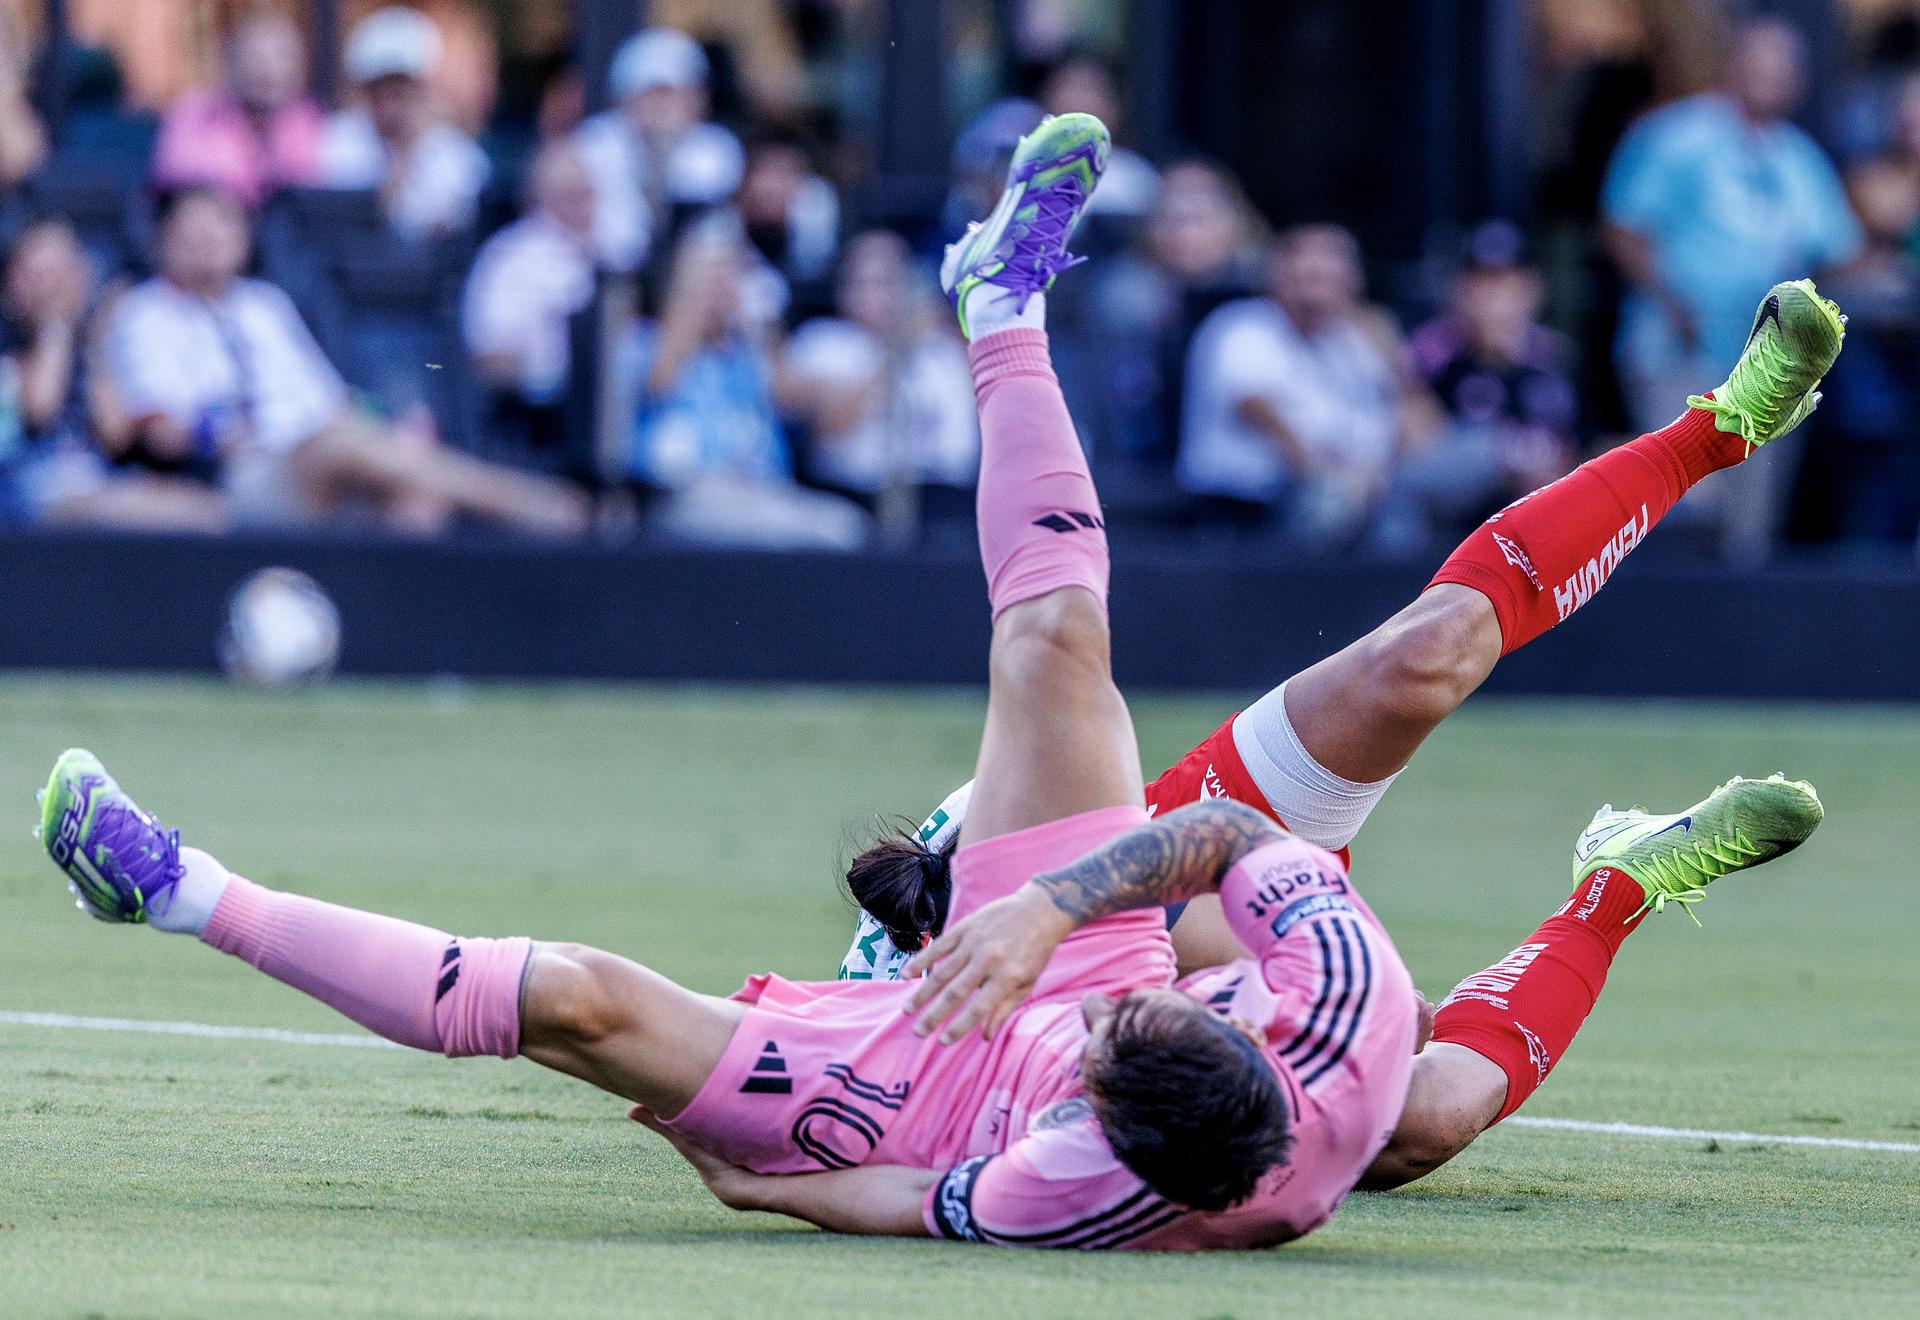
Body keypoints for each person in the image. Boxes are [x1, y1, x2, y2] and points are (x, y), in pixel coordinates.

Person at [37, 118, 1833, 1251]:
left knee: (586, 998)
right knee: (1414, 944)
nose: (1139, 1027)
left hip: (948, 1028)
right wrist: (1069, 916)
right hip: (1151, 887)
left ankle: (178, 889)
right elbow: (1201, 836)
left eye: (1129, 1048)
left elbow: (841, 1189)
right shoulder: (1332, 1042)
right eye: (1170, 1033)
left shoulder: (1075, 1176)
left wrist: (728, 1136)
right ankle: (1013, 306)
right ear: (1230, 1048)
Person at [837, 272, 1847, 1190]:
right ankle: (1620, 884)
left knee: (1419, 662)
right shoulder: (960, 1091)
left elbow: (1360, 988)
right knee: (1428, 1118)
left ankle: (1720, 429)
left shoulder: (1053, 927)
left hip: (1165, 857)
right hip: (1157, 1017)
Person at [102, 187, 586, 536]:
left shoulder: (263, 303)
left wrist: (387, 429)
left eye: (222, 225)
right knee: (347, 448)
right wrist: (231, 432)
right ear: (165, 241)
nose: (210, 239)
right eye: (194, 231)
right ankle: (522, 501)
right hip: (240, 477)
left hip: (323, 460)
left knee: (415, 499)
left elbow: (328, 402)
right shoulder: (145, 312)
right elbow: (161, 432)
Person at [1601, 15, 1860, 560]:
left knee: (1749, 525)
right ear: (1733, 64)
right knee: (1685, 504)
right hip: (1679, 351)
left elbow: (1840, 251)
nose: (1771, 76)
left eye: (1784, 68)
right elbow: (1622, 227)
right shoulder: (1678, 135)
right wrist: (1674, 302)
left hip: (1767, 366)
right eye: (1760, 62)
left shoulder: (1797, 157)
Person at [1178, 224, 1435, 546]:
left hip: (1353, 492)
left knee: (1421, 490)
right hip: (1250, 508)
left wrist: (1394, 356)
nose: (1317, 285)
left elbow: (1420, 430)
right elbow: (1260, 411)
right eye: (1308, 273)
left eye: (1330, 274)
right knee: (1337, 499)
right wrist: (1336, 472)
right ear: (1277, 274)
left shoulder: (1351, 341)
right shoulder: (1243, 325)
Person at [622, 216, 865, 551]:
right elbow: (658, 382)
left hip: (762, 491)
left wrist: (762, 322)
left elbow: (788, 395)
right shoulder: (649, 342)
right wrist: (699, 280)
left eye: (731, 274)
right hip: (685, 492)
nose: (725, 285)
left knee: (845, 524)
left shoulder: (746, 353)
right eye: (715, 276)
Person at [0, 220, 226, 531]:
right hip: (29, 489)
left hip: (93, 478)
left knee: (206, 507)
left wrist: (98, 347)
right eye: (39, 274)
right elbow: (40, 409)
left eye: (63, 271)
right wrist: (54, 325)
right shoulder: (11, 346)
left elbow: (115, 434)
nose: (54, 286)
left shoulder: (91, 347)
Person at [1387, 221, 1579, 551]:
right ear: (1459, 289)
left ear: (1532, 289)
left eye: (1506, 281)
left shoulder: (1557, 358)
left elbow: (1581, 447)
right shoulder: (1432, 350)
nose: (1494, 296)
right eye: (1482, 282)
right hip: (1455, 510)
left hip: (1536, 515)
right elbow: (1415, 449)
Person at [777, 229, 977, 498]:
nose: (870, 293)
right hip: (854, 492)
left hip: (941, 492)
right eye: (861, 281)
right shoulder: (822, 341)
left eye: (886, 281)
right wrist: (894, 352)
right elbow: (832, 428)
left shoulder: (941, 349)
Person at [573, 27, 744, 273]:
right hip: (609, 279)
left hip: (689, 281)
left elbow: (708, 235)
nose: (662, 106)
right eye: (652, 94)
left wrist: (663, 151)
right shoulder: (592, 144)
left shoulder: (716, 149)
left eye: (671, 94)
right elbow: (615, 244)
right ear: (624, 97)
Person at [318, 6, 490, 238]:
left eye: (402, 87)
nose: (391, 101)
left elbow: (446, 230)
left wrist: (411, 144)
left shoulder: (453, 150)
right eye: (381, 87)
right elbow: (360, 223)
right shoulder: (338, 139)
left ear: (423, 88)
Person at [463, 140, 598, 409]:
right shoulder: (510, 258)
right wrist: (546, 372)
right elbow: (489, 356)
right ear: (537, 197)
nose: (582, 206)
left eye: (588, 194)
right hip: (542, 413)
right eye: (570, 195)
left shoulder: (612, 249)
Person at [150, 15, 325, 207]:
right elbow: (182, 189)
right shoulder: (195, 114)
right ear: (230, 63)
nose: (267, 70)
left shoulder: (314, 124)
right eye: (255, 57)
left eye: (280, 56)